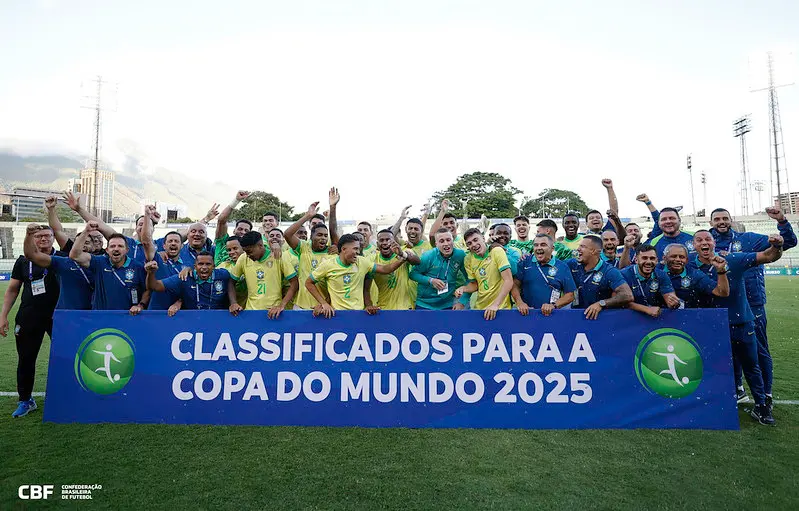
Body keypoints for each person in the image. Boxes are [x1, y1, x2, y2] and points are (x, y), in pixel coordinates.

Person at [689, 230, 784, 425]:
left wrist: (777, 245)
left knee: (751, 366)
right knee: (715, 367)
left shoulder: (733, 259)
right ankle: (718, 403)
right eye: (699, 240)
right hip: (712, 327)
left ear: (714, 242)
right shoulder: (689, 266)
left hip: (740, 323)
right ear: (693, 245)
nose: (704, 243)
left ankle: (761, 406)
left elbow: (768, 256)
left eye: (708, 239)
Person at [709, 206, 797, 405]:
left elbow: (789, 241)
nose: (721, 222)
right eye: (717, 219)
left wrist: (781, 221)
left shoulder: (747, 239)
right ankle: (737, 389)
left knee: (759, 349)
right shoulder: (706, 242)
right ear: (711, 222)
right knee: (728, 349)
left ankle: (766, 394)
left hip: (752, 302)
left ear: (730, 220)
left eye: (725, 218)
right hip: (723, 304)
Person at [1, 225, 63, 418]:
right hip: (29, 316)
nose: (43, 239)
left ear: (54, 237)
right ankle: (25, 400)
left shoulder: (62, 258)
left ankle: (68, 396)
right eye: (39, 236)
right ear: (32, 239)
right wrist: (3, 315)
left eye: (47, 235)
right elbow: (12, 289)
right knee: (26, 359)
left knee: (66, 357)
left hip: (58, 317)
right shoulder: (23, 261)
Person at [306, 233, 408, 317]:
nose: (358, 252)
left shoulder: (362, 262)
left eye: (358, 249)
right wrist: (324, 303)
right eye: (355, 249)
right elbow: (309, 283)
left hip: (359, 315)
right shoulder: (328, 265)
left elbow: (385, 269)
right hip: (337, 315)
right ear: (343, 249)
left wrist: (402, 259)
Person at [69, 223, 149, 312]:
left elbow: (148, 290)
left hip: (128, 316)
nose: (116, 249)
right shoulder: (99, 262)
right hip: (101, 316)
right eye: (112, 246)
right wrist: (86, 231)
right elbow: (74, 256)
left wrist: (140, 305)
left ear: (127, 250)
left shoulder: (138, 267)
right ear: (107, 250)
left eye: (120, 246)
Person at [23, 223, 94, 311]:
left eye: (87, 242)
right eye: (78, 243)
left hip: (95, 313)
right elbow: (31, 255)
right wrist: (29, 234)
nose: (82, 246)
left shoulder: (101, 262)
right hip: (68, 314)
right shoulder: (64, 262)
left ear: (94, 246)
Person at [228, 231, 298, 318]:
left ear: (260, 245)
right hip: (251, 312)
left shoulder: (278, 256)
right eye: (245, 252)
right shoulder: (243, 258)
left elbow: (294, 282)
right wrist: (233, 303)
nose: (248, 255)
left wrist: (281, 305)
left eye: (250, 252)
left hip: (273, 312)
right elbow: (231, 282)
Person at [145, 252, 241, 314]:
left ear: (214, 266)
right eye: (200, 264)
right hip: (192, 321)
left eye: (208, 264)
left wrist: (233, 303)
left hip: (217, 319)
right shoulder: (185, 277)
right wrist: (151, 273)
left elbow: (230, 283)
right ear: (195, 266)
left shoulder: (223, 275)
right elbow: (155, 286)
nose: (204, 267)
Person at [566, 235, 633, 319]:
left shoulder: (609, 271)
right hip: (575, 316)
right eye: (579, 246)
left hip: (599, 319)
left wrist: (601, 304)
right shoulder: (572, 264)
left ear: (593, 251)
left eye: (582, 246)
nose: (578, 249)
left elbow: (627, 295)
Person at [454, 228, 514, 320]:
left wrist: (495, 305)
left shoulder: (497, 251)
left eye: (475, 240)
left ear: (483, 238)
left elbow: (508, 280)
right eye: (469, 243)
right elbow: (475, 285)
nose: (474, 245)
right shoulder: (468, 259)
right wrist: (463, 289)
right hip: (480, 309)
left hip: (501, 308)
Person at [285, 203, 335, 310]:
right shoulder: (303, 247)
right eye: (319, 235)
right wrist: (307, 216)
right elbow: (287, 234)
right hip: (301, 306)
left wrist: (325, 303)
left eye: (325, 236)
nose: (323, 238)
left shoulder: (332, 254)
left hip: (323, 308)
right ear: (311, 236)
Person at [513, 234, 576, 316]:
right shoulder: (525, 262)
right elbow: (514, 285)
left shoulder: (562, 267)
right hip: (526, 315)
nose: (539, 248)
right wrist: (519, 302)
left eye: (543, 245)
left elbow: (570, 295)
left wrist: (553, 305)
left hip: (551, 316)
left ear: (552, 248)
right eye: (536, 245)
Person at [141, 206, 188, 311]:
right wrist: (147, 216)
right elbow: (146, 242)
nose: (173, 243)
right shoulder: (157, 258)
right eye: (170, 241)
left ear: (182, 246)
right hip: (155, 313)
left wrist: (179, 302)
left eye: (176, 241)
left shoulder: (187, 266)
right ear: (164, 246)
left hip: (178, 314)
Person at [410, 228, 470, 310]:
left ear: (453, 240)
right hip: (425, 303)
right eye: (442, 241)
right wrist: (431, 281)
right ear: (436, 244)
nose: (446, 244)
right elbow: (413, 274)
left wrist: (462, 302)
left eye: (448, 240)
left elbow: (470, 279)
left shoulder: (460, 255)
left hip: (447, 303)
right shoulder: (428, 256)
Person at [620, 244, 679, 318]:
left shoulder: (662, 275)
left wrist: (673, 303)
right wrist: (646, 309)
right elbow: (620, 301)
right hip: (627, 317)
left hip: (654, 316)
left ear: (656, 261)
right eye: (644, 258)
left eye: (652, 258)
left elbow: (669, 297)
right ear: (636, 260)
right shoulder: (624, 275)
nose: (648, 262)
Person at [662, 243, 729, 308]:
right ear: (664, 258)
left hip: (688, 314)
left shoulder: (695, 275)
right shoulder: (657, 272)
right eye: (673, 256)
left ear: (687, 260)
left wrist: (721, 270)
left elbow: (722, 292)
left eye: (682, 257)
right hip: (658, 314)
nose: (678, 259)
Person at [371, 229, 421, 310]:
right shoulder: (372, 259)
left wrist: (402, 254)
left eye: (388, 240)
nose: (385, 243)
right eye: (381, 240)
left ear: (394, 241)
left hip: (404, 308)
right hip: (383, 308)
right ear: (377, 244)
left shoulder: (404, 251)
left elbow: (417, 261)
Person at [214, 190, 254, 265]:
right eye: (240, 229)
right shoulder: (223, 242)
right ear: (234, 230)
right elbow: (221, 220)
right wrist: (236, 201)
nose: (243, 232)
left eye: (246, 231)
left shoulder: (252, 251)